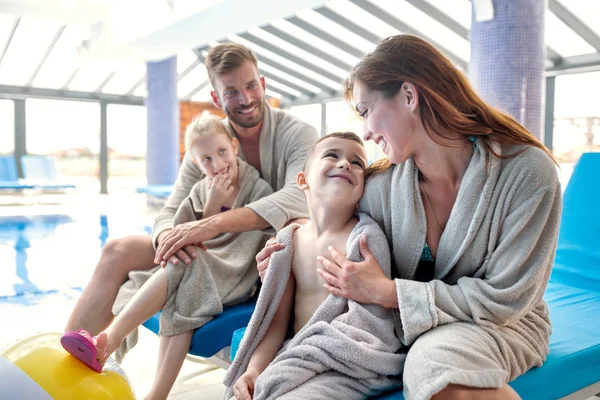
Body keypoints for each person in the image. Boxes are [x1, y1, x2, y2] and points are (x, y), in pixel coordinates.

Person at [256, 35, 562, 400]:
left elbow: (506, 299)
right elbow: (329, 225)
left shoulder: (526, 171)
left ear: (408, 96)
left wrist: (388, 292)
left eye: (366, 110)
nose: (366, 131)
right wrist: (283, 257)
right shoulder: (380, 189)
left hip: (502, 324)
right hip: (403, 331)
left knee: (438, 371)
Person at [65, 42, 318, 336]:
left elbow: (298, 195)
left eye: (251, 86)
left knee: (297, 229)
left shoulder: (299, 133)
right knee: (117, 250)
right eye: (231, 91)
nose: (246, 98)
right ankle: (66, 358)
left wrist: (207, 226)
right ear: (216, 97)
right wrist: (168, 240)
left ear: (262, 84)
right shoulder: (208, 142)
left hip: (258, 257)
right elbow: (171, 208)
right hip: (208, 250)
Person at [62, 113, 273, 399]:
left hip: (234, 272)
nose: (218, 164)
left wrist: (214, 219)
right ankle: (151, 392)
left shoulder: (257, 187)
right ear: (197, 163)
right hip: (199, 266)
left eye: (222, 152)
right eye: (207, 159)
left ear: (234, 147)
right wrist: (211, 205)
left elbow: (250, 240)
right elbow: (184, 231)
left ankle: (110, 339)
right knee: (176, 270)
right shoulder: (201, 189)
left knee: (185, 265)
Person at [226, 132, 403, 400]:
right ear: (302, 179)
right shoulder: (290, 241)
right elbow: (275, 321)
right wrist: (254, 369)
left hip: (347, 365)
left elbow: (370, 323)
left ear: (362, 188)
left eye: (357, 163)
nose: (345, 164)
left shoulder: (364, 239)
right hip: (299, 354)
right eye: (332, 155)